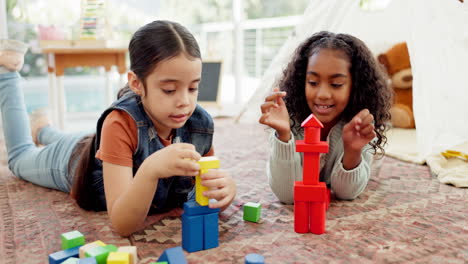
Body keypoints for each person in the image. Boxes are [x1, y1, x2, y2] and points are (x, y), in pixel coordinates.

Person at [0, 20, 236, 237]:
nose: (184, 101)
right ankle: (7, 73)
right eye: (169, 90)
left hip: (101, 144)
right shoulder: (119, 123)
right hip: (71, 160)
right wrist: (149, 170)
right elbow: (123, 224)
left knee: (94, 140)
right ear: (136, 83)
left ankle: (43, 129)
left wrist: (224, 192)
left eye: (193, 88)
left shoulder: (199, 125)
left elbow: (200, 194)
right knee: (20, 159)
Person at [259, 31, 392, 204]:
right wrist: (283, 135)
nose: (322, 94)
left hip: (354, 161)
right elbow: (287, 195)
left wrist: (353, 151)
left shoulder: (359, 124)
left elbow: (346, 193)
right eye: (313, 83)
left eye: (336, 84)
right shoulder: (288, 119)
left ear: (355, 87)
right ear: (301, 82)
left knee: (369, 169)